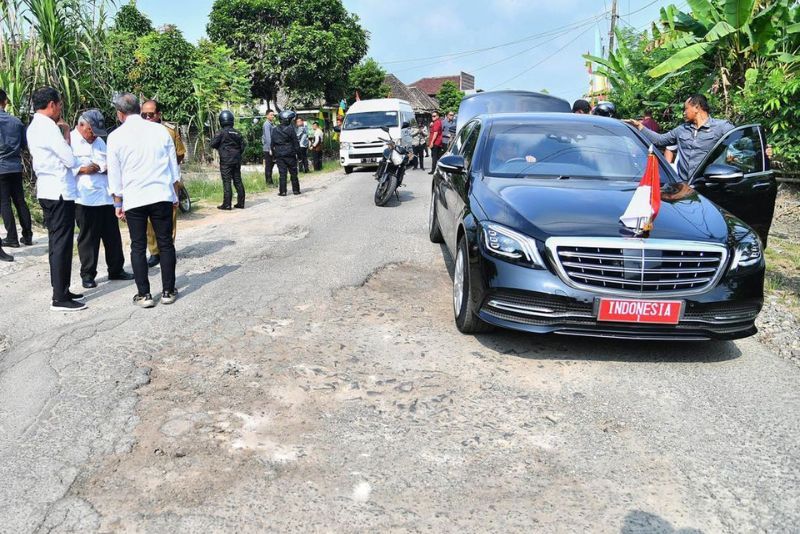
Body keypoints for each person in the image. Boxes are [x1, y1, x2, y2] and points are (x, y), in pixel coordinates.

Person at [107, 92, 180, 308]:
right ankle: (168, 291)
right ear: (139, 109)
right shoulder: (160, 131)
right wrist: (174, 194)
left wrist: (117, 203)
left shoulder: (115, 137)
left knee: (138, 246)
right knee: (165, 243)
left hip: (134, 198)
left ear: (120, 114)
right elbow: (173, 167)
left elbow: (115, 174)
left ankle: (144, 295)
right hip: (161, 195)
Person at [27, 87, 85, 311]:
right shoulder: (49, 128)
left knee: (56, 243)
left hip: (47, 190)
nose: (60, 108)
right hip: (60, 191)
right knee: (61, 244)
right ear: (51, 104)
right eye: (59, 104)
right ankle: (60, 298)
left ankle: (60, 288)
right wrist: (67, 134)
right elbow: (69, 159)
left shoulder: (34, 126)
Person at [71, 109, 133, 289]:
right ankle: (88, 274)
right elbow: (64, 166)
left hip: (105, 197)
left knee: (112, 236)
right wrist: (83, 170)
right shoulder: (70, 141)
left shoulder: (100, 142)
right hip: (84, 198)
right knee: (88, 239)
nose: (94, 137)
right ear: (82, 125)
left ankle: (116, 269)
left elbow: (112, 164)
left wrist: (105, 167)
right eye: (92, 132)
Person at [626, 94, 734, 181]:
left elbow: (741, 142)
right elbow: (659, 140)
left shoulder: (721, 127)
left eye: (686, 109)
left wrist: (733, 156)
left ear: (696, 108)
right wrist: (639, 126)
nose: (684, 112)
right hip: (684, 187)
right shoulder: (681, 129)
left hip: (708, 186)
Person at [141, 100, 185, 269]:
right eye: (143, 114)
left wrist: (168, 167)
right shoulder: (138, 132)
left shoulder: (169, 131)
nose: (147, 117)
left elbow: (180, 153)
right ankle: (154, 252)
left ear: (159, 115)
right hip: (146, 180)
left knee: (169, 218)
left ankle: (167, 247)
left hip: (167, 180)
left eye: (150, 114)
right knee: (148, 221)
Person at [0, 88, 33, 249]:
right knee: (20, 200)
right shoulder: (17, 122)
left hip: (1, 167)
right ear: (5, 102)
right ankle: (27, 235)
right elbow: (24, 145)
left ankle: (11, 237)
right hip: (15, 166)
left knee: (4, 202)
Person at [211, 110, 245, 210]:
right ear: (231, 120)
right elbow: (243, 146)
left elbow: (213, 144)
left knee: (227, 181)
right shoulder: (237, 133)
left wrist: (221, 148)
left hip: (226, 161)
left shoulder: (221, 133)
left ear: (221, 121)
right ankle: (241, 203)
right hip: (237, 159)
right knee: (238, 180)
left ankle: (227, 204)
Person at [272, 110, 301, 196]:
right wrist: (299, 156)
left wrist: (274, 156)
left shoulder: (274, 129)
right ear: (287, 120)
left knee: (282, 174)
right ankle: (296, 190)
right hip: (290, 154)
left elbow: (272, 144)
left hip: (279, 155)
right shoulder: (291, 129)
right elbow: (296, 143)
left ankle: (283, 191)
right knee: (293, 173)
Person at [262, 109, 276, 185]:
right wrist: (270, 148)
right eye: (271, 115)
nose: (272, 116)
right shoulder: (266, 124)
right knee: (268, 166)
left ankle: (270, 181)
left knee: (271, 165)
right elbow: (268, 137)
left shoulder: (271, 124)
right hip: (268, 148)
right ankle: (269, 182)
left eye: (273, 115)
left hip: (271, 147)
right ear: (267, 116)